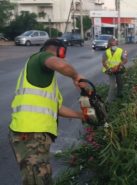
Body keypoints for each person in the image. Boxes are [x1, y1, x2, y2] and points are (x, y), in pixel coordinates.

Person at [8, 39, 84, 185]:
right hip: (29, 133)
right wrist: (76, 76)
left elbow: (58, 108)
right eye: (63, 55)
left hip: (35, 136)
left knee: (44, 178)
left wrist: (82, 116)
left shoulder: (46, 80)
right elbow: (61, 65)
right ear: (60, 52)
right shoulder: (40, 57)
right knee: (37, 180)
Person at [102, 38, 127, 103]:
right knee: (112, 85)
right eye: (112, 45)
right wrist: (109, 69)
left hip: (118, 69)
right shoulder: (106, 52)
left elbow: (125, 60)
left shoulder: (120, 51)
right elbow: (104, 62)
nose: (114, 46)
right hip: (110, 70)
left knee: (120, 83)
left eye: (115, 44)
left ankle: (119, 94)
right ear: (110, 45)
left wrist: (119, 65)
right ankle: (109, 101)